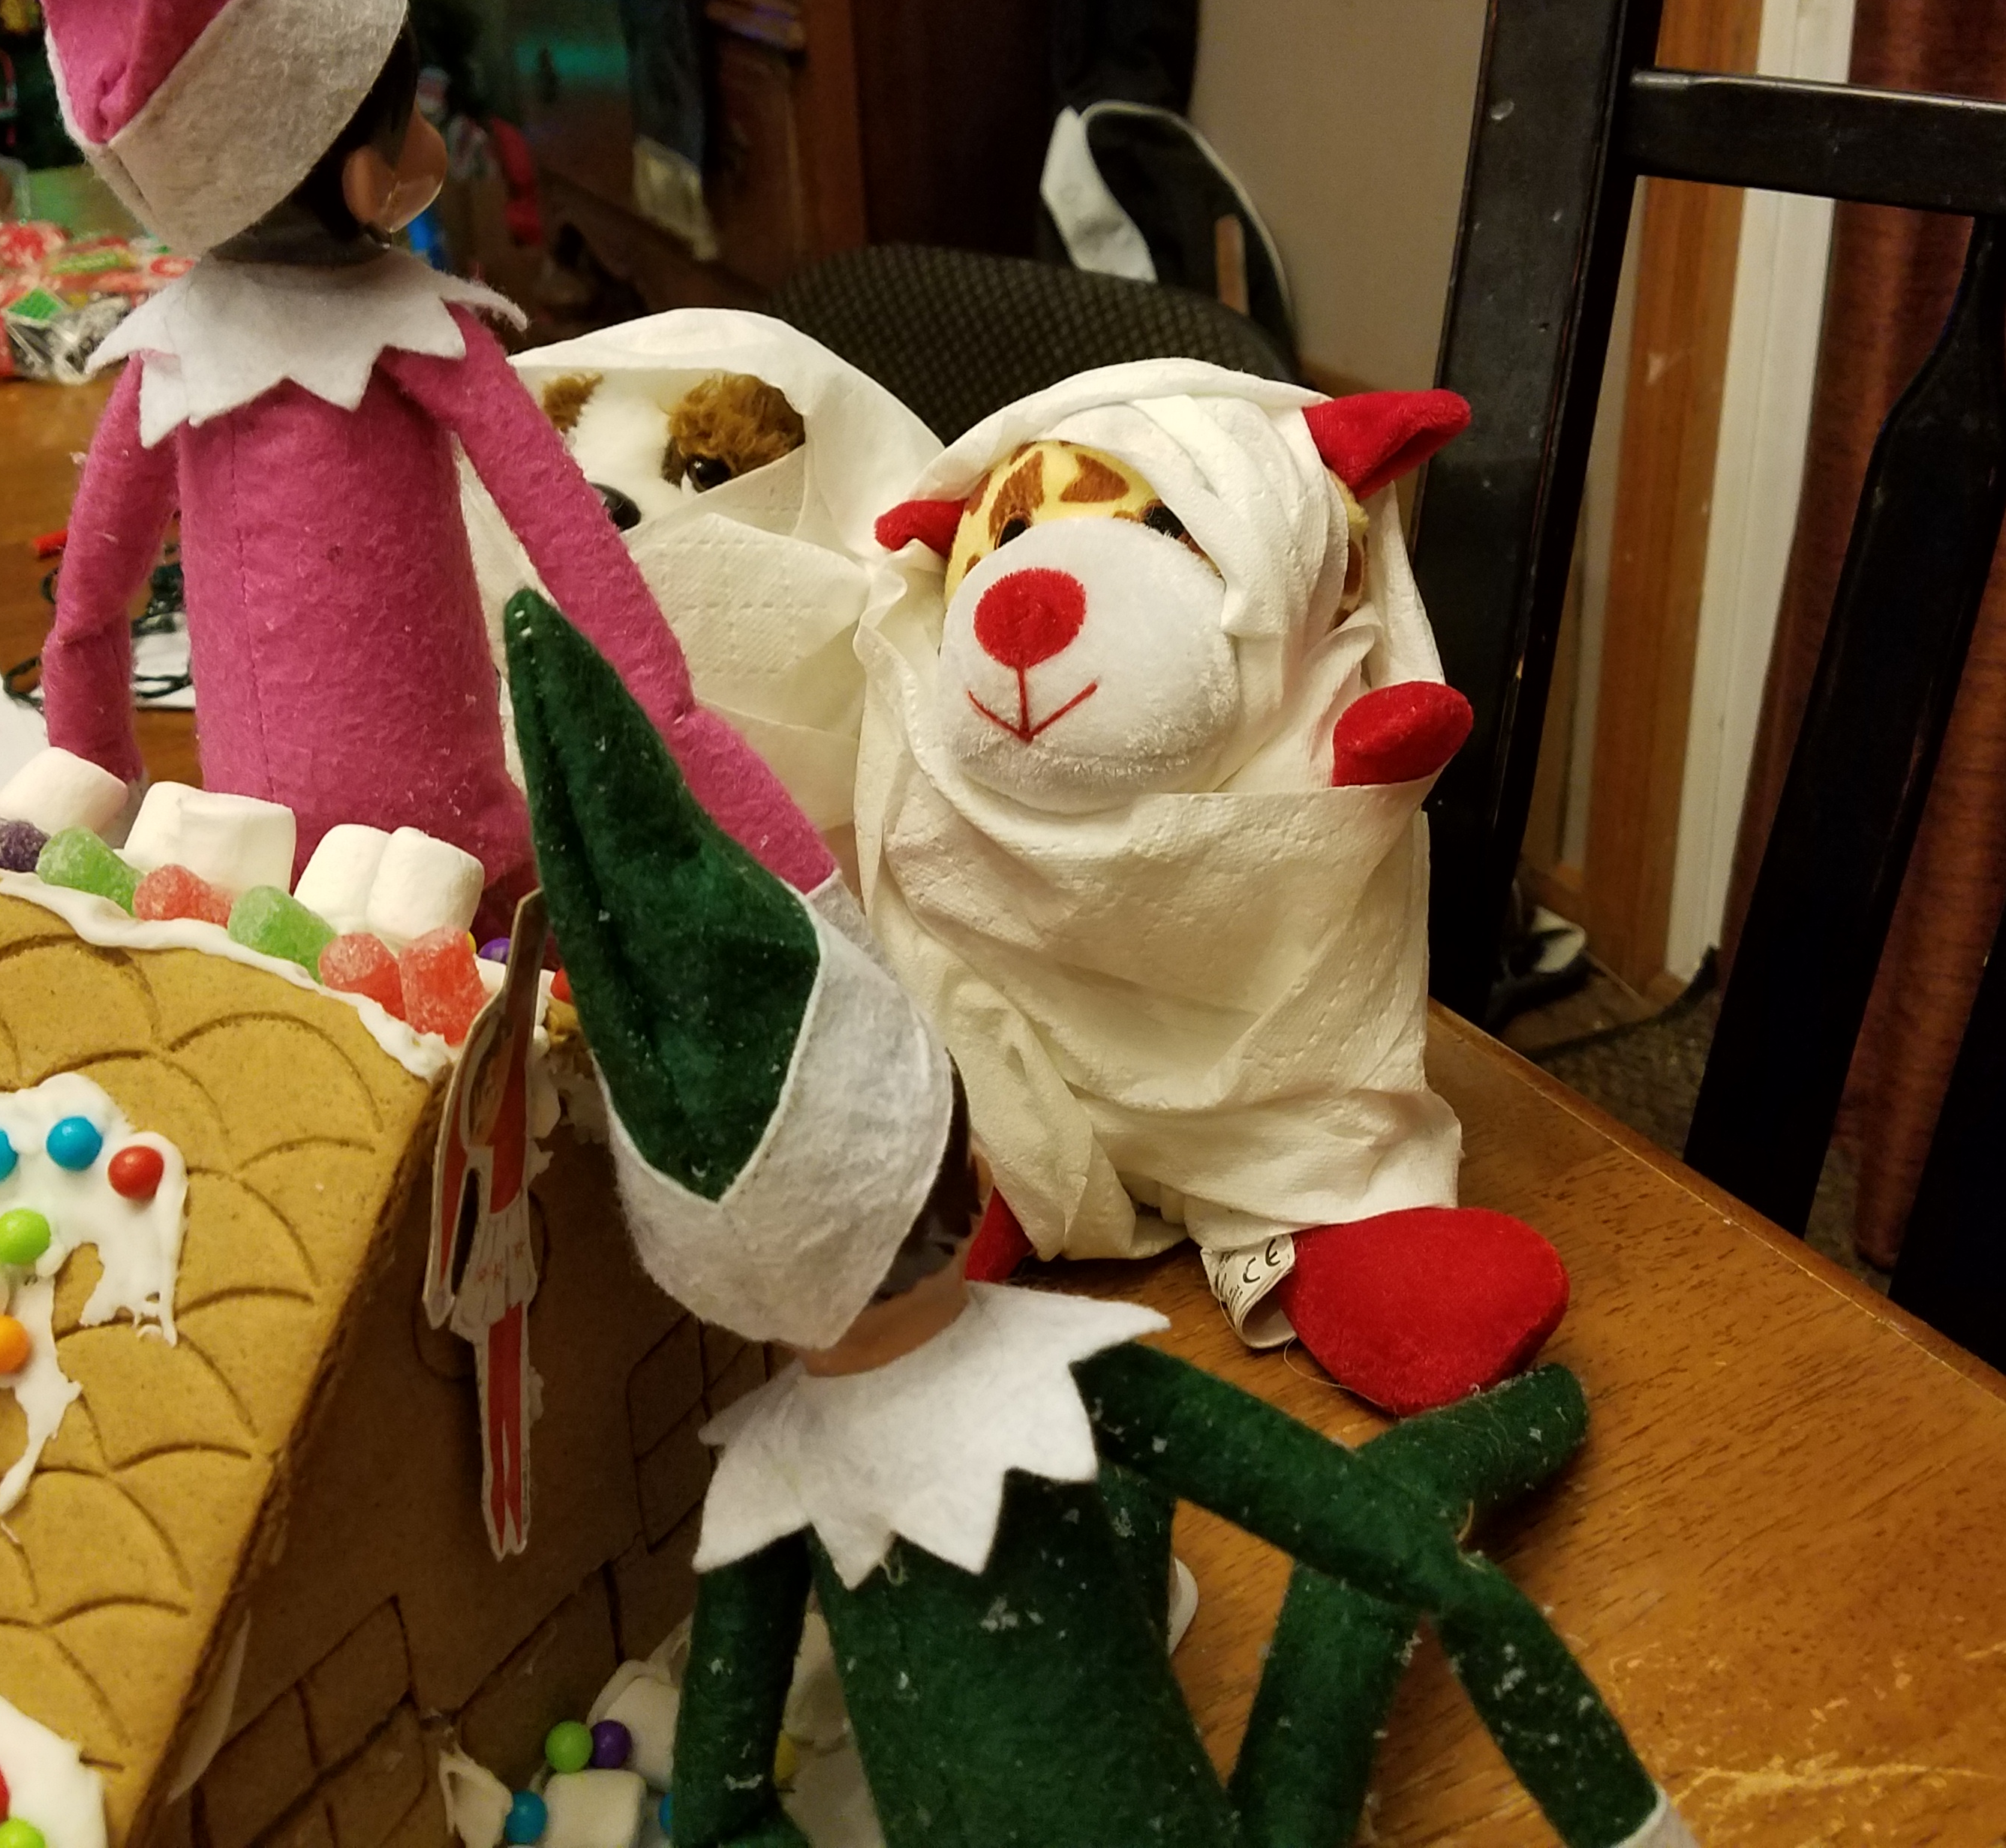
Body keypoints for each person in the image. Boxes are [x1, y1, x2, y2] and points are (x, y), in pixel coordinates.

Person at [504, 589, 1695, 1848]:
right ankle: (1547, 1412)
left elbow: (721, 1818)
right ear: (966, 1166)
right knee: (1386, 1523)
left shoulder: (772, 1494)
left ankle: (1518, 1425)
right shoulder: (1044, 1390)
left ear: (706, 1278)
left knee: (1188, 1513)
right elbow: (1421, 1569)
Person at [0, 0, 827, 904]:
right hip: (432, 859)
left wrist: (92, 782)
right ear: (363, 177)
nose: (426, 148)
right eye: (405, 121)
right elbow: (605, 607)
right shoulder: (421, 338)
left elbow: (90, 622)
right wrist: (771, 844)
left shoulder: (178, 361)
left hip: (256, 870)